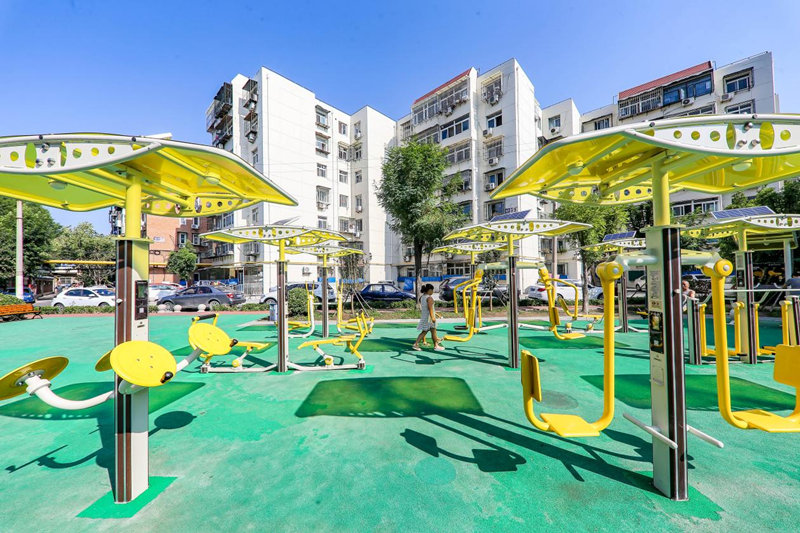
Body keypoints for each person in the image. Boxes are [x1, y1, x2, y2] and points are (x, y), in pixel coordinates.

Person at [412, 284, 445, 351]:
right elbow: (430, 309)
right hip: (429, 318)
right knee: (429, 332)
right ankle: (417, 344)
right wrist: (433, 318)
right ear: (429, 290)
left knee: (428, 331)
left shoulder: (422, 297)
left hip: (425, 316)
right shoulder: (429, 298)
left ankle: (435, 345)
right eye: (432, 290)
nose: (433, 291)